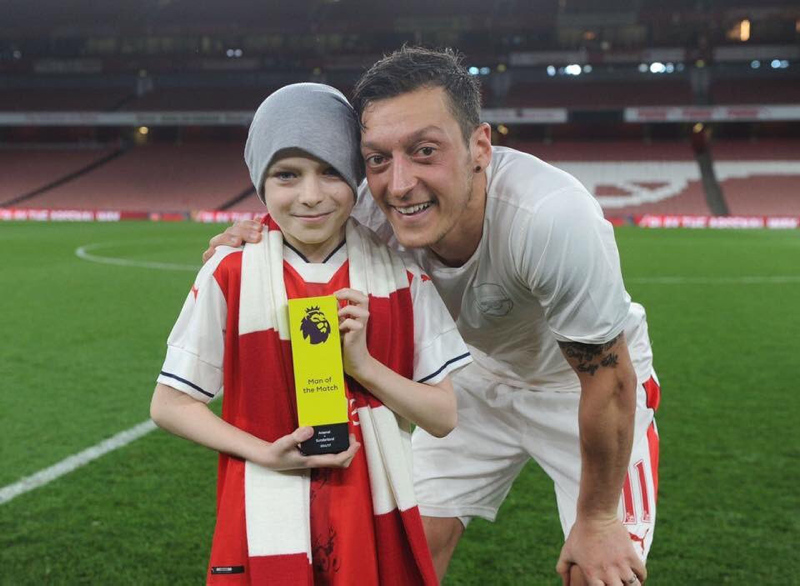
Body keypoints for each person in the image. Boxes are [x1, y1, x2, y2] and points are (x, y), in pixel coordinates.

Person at [206, 47, 660, 586]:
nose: (399, 185)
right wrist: (248, 242)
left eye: (425, 151)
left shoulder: (550, 217)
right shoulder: (368, 209)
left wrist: (599, 519)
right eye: (378, 158)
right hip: (470, 377)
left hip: (575, 387)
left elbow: (608, 379)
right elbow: (293, 227)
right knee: (407, 555)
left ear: (479, 147)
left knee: (601, 571)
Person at [151, 82, 472, 585]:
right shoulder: (230, 272)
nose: (310, 195)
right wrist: (264, 452)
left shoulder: (403, 279)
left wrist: (364, 366)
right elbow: (169, 405)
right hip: (262, 506)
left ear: (354, 178)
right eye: (287, 174)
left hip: (371, 513)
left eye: (330, 172)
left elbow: (443, 417)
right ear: (260, 181)